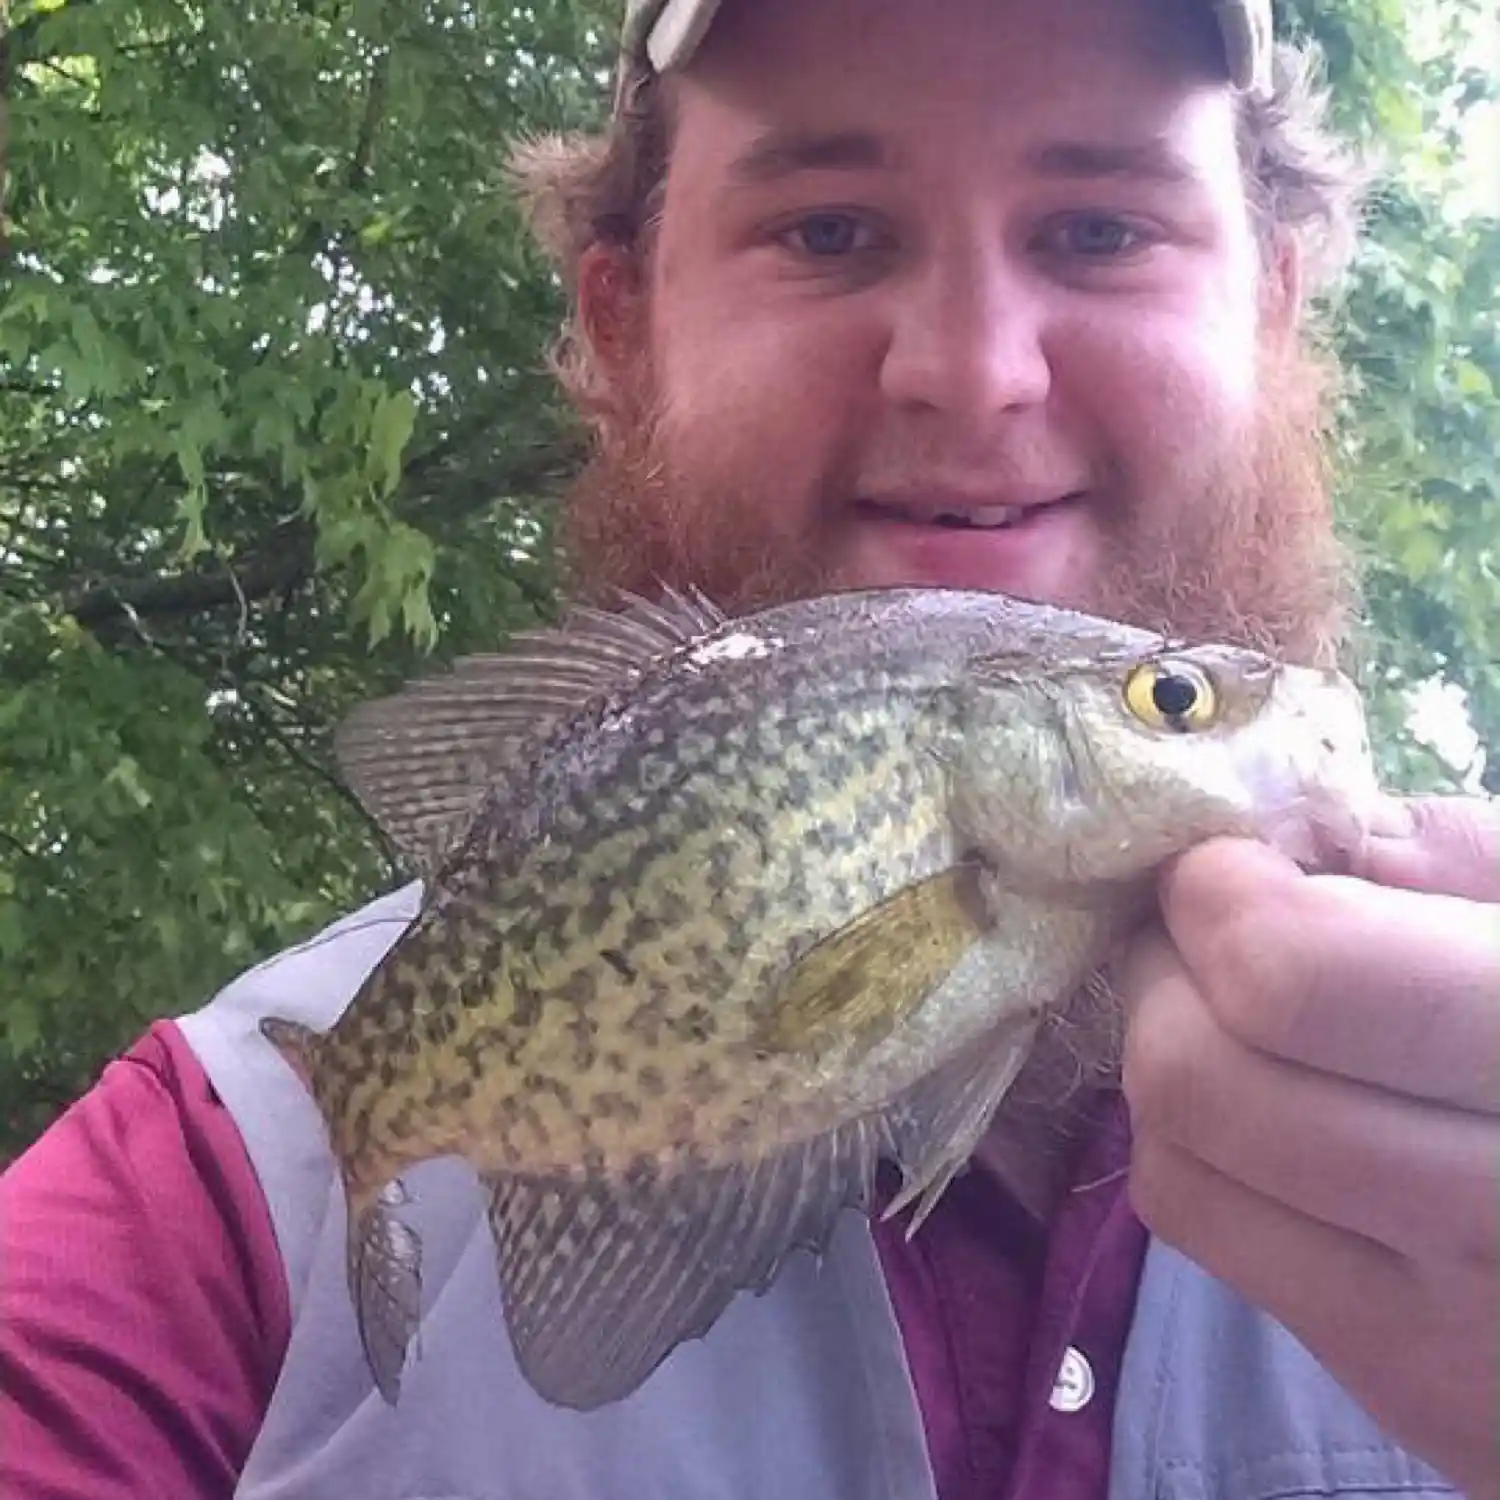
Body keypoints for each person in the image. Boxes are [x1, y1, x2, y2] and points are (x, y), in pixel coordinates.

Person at [3, 0, 1496, 1494]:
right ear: (621, 331)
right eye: (832, 231)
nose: (973, 375)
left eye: (1102, 230)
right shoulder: (208, 1208)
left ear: (1276, 309)